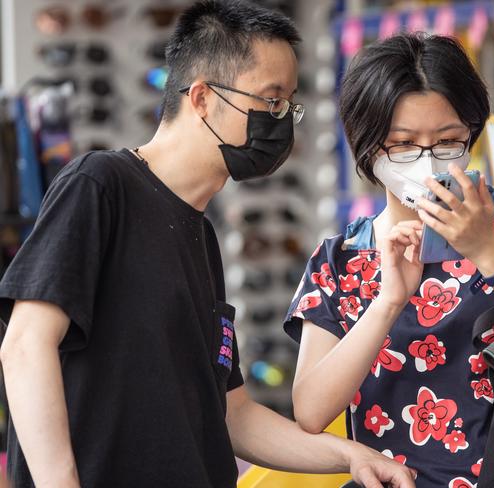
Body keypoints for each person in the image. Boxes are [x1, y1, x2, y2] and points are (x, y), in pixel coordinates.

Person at [0, 2, 417, 487]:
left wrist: (351, 455)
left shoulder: (200, 233)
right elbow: (26, 345)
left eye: (288, 105)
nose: (281, 121)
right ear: (201, 97)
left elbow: (232, 413)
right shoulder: (101, 185)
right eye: (270, 100)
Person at [286, 33, 494, 487]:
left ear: (472, 136)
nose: (427, 161)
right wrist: (388, 302)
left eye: (448, 141)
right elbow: (311, 412)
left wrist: (487, 251)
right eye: (403, 145)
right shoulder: (340, 261)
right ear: (368, 147)